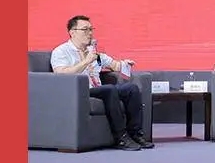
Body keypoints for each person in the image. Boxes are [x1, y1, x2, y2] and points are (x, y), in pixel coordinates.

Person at [50, 15, 154, 151]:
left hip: (97, 89)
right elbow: (61, 74)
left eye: (91, 29)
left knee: (131, 89)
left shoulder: (94, 53)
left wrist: (124, 64)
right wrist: (86, 61)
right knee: (109, 89)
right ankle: (121, 137)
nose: (90, 33)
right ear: (72, 32)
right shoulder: (61, 51)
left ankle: (135, 134)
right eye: (85, 29)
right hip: (77, 91)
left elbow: (114, 65)